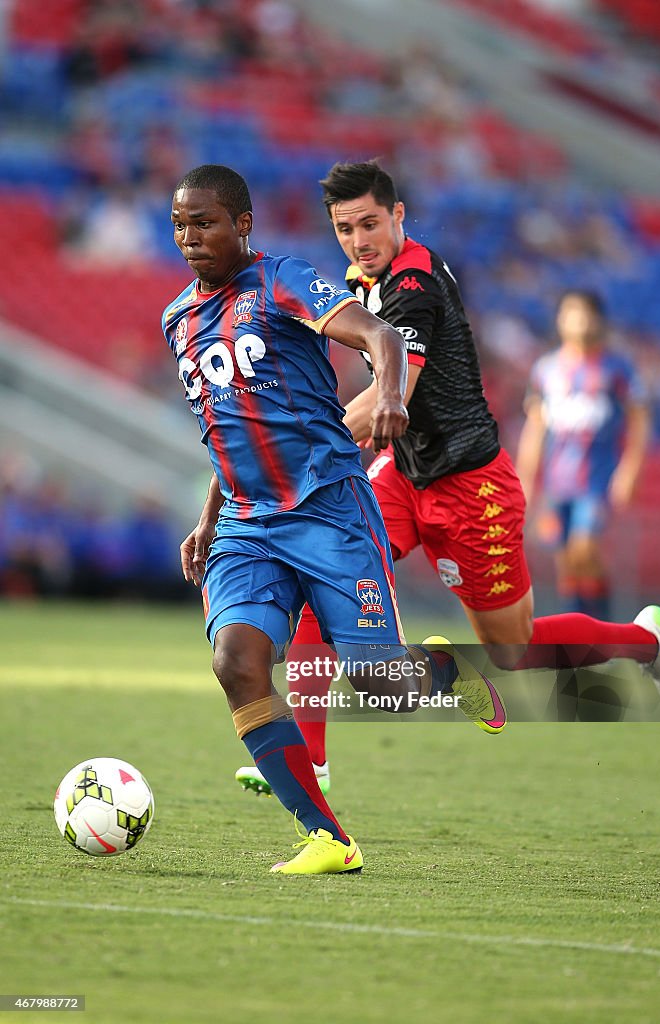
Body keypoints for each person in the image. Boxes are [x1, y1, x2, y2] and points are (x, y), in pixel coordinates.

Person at [235, 160, 660, 799]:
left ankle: (647, 640)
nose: (359, 240)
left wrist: (296, 443)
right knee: (321, 577)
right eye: (344, 228)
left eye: (369, 223)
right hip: (402, 476)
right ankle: (311, 759)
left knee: (511, 648)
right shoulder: (364, 279)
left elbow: (397, 393)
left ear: (398, 216)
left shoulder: (412, 284)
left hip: (472, 488)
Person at [164, 163, 506, 876]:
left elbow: (382, 336)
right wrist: (208, 517)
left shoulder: (283, 281)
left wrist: (389, 394)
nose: (191, 237)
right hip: (248, 524)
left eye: (205, 222)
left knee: (382, 687)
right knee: (237, 662)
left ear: (242, 225)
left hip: (327, 509)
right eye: (180, 224)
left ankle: (441, 669)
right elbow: (223, 429)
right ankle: (328, 837)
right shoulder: (177, 320)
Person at [516, 290, 650, 620]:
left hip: (597, 478)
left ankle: (602, 627)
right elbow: (535, 429)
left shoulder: (617, 369)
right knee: (566, 560)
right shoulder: (546, 370)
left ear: (599, 320)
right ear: (561, 320)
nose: (579, 321)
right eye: (572, 313)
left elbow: (639, 419)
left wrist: (630, 470)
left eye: (586, 313)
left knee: (584, 547)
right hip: (557, 480)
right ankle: (580, 632)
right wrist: (524, 481)